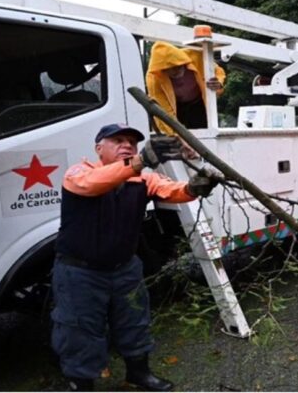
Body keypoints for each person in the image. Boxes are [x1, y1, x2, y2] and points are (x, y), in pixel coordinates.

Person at [52, 123, 220, 391]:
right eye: (117, 140)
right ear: (99, 148)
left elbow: (173, 190)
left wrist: (195, 188)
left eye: (131, 142)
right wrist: (139, 160)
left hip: (125, 269)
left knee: (134, 320)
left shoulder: (143, 179)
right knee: (78, 329)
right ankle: (80, 381)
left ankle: (138, 374)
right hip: (80, 272)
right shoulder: (79, 173)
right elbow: (94, 185)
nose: (127, 145)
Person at [146, 41, 226, 134]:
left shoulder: (195, 56)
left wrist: (218, 82)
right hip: (178, 107)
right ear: (161, 70)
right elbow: (164, 110)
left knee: (204, 131)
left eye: (178, 66)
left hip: (200, 103)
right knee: (178, 133)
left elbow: (217, 71)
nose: (175, 70)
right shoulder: (153, 78)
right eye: (170, 68)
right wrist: (172, 135)